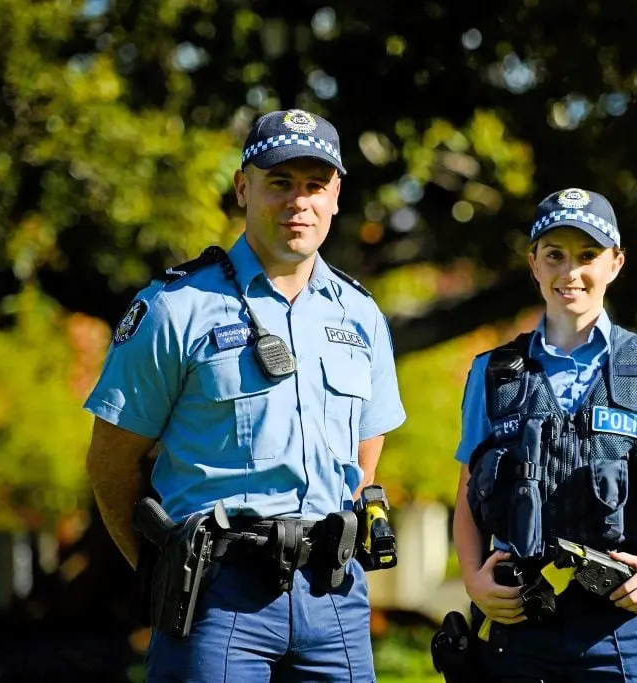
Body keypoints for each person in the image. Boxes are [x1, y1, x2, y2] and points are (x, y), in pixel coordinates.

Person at [84, 108, 406, 683]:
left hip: (334, 597)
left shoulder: (361, 315)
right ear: (242, 187)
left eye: (315, 185)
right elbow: (111, 462)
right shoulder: (174, 309)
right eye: (279, 182)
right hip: (215, 596)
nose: (298, 201)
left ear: (336, 196)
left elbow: (364, 456)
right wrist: (163, 569)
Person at [451, 188, 637, 682]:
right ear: (534, 264)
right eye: (555, 256)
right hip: (520, 621)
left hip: (631, 626)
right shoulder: (493, 372)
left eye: (587, 256)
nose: (570, 273)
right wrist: (475, 581)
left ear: (615, 263)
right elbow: (467, 495)